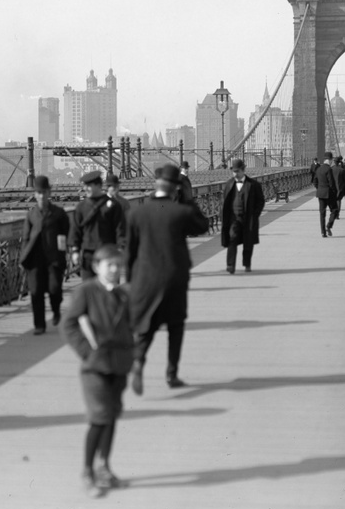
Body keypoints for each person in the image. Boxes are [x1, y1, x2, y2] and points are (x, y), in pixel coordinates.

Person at [127, 164, 210, 392]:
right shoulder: (180, 212)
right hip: (175, 278)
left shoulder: (137, 213)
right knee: (175, 326)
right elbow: (203, 225)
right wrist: (189, 199)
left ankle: (138, 360)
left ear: (155, 185)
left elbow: (130, 252)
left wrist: (129, 281)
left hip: (145, 279)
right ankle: (171, 374)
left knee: (147, 326)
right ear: (175, 189)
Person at [61, 244, 135, 498]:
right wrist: (87, 352)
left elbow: (132, 325)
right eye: (109, 265)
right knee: (99, 417)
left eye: (118, 265)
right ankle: (87, 472)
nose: (115, 269)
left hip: (119, 364)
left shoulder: (124, 293)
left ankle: (104, 467)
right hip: (95, 367)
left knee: (112, 415)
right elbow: (68, 324)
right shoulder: (86, 291)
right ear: (97, 267)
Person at [19, 175, 70, 335]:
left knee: (55, 289)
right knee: (36, 292)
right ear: (35, 194)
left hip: (53, 258)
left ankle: (56, 310)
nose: (41, 195)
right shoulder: (31, 214)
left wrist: (63, 254)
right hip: (35, 259)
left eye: (44, 192)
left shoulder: (59, 213)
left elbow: (65, 234)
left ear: (49, 193)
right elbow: (26, 238)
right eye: (38, 192)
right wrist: (23, 257)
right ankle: (39, 325)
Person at [69, 171, 126, 280]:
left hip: (108, 253)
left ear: (98, 186)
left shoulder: (113, 205)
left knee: (109, 289)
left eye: (89, 186)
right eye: (85, 186)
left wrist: (121, 248)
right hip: (88, 255)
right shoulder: (81, 207)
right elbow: (75, 230)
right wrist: (75, 250)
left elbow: (120, 229)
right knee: (89, 289)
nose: (85, 189)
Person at [220, 159, 266, 274]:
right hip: (233, 219)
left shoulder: (253, 185)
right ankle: (230, 265)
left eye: (237, 171)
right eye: (233, 171)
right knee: (232, 239)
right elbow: (224, 201)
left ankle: (247, 264)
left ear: (243, 170)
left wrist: (255, 215)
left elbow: (261, 201)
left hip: (248, 219)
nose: (235, 174)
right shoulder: (229, 184)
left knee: (248, 242)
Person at [313, 152, 337, 238]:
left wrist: (319, 188)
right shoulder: (329, 169)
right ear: (330, 160)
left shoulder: (318, 169)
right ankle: (329, 226)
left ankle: (323, 232)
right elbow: (331, 183)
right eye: (332, 160)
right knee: (334, 210)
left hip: (320, 193)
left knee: (322, 213)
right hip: (329, 194)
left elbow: (315, 181)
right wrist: (334, 192)